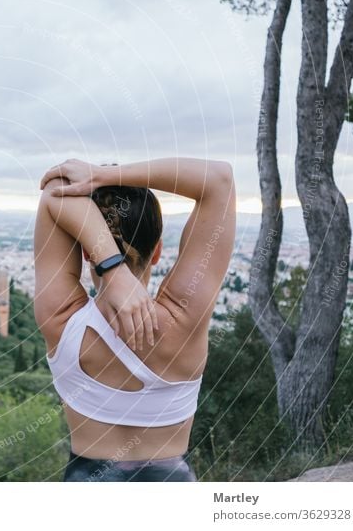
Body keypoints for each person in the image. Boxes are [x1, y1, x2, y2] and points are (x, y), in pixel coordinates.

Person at [33, 157, 236, 481]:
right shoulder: (185, 318)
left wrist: (111, 267)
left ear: (86, 251)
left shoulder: (61, 319)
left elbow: (55, 190)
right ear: (156, 251)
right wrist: (101, 176)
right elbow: (219, 179)